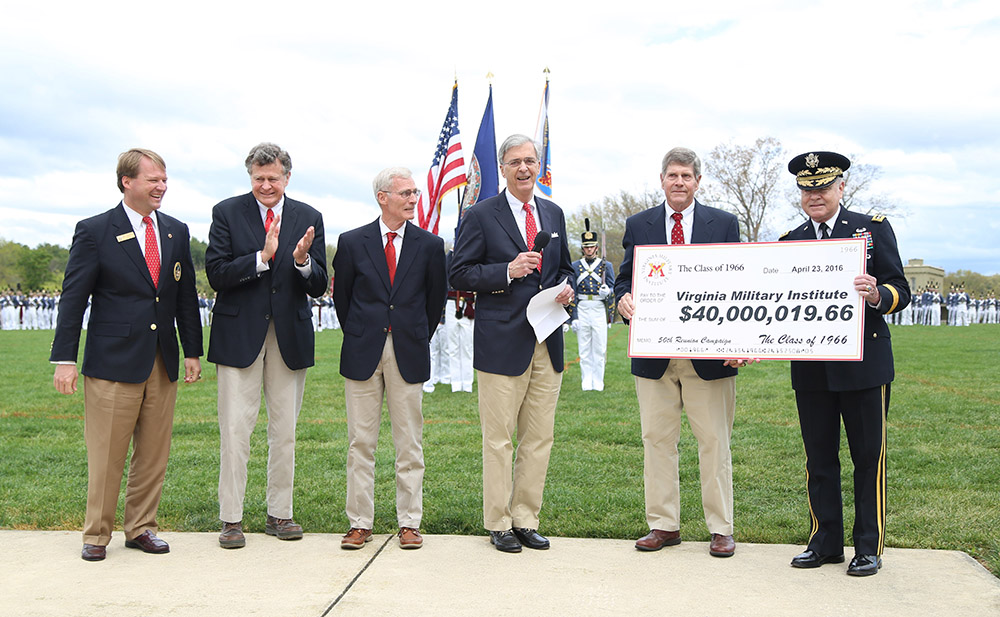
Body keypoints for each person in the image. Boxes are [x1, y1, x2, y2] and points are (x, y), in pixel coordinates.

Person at [50, 148, 203, 562]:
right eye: (153, 179)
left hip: (162, 360)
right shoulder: (95, 230)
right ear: (127, 182)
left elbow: (184, 295)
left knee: (154, 452)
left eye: (164, 179)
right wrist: (65, 357)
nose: (162, 186)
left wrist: (193, 351)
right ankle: (96, 535)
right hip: (112, 361)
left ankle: (141, 528)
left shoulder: (175, 230)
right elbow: (73, 298)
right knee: (107, 454)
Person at [781, 151, 910, 577]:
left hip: (863, 366)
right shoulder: (789, 242)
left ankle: (868, 546)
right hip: (812, 367)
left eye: (822, 186)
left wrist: (876, 294)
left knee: (867, 458)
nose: (814, 194)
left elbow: (899, 289)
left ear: (841, 187)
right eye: (806, 188)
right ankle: (825, 541)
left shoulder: (871, 229)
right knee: (819, 458)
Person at [615, 147, 742, 558]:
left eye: (687, 176)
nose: (680, 182)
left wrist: (740, 340)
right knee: (656, 440)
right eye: (673, 175)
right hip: (654, 355)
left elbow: (738, 286)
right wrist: (623, 299)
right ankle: (663, 525)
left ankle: (721, 528)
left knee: (714, 442)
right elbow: (624, 279)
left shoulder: (722, 224)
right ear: (662, 179)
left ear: (698, 181)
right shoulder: (640, 224)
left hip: (709, 356)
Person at [450, 134, 574, 553]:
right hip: (502, 342)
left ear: (539, 166)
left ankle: (525, 518)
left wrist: (567, 288)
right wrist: (506, 270)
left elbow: (566, 269)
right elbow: (460, 273)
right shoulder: (481, 214)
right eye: (516, 162)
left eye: (530, 161)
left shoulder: (554, 213)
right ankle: (498, 522)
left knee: (539, 438)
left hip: (548, 341)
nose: (524, 168)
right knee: (499, 439)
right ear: (503, 168)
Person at [205, 142, 328, 549]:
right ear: (250, 177)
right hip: (238, 336)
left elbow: (319, 284)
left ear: (287, 177)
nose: (266, 185)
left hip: (289, 337)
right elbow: (216, 273)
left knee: (285, 430)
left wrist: (300, 262)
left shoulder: (309, 217)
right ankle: (232, 519)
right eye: (258, 178)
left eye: (273, 178)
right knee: (236, 429)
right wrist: (261, 256)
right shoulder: (226, 213)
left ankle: (280, 513)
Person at [332, 167, 447, 550]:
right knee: (360, 442)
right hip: (363, 351)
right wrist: (365, 333)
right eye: (405, 193)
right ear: (383, 197)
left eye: (415, 192)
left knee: (409, 443)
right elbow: (342, 300)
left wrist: (413, 335)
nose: (414, 199)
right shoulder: (351, 242)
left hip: (408, 352)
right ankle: (360, 522)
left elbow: (434, 303)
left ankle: (409, 523)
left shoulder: (430, 245)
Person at [569, 218, 615, 391]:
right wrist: (572, 318)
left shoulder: (606, 265)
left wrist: (607, 291)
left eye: (592, 246)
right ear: (583, 248)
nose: (589, 249)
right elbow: (572, 291)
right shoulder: (575, 266)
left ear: (596, 247)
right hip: (582, 308)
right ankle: (586, 380)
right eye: (586, 247)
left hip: (598, 309)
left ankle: (598, 380)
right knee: (584, 348)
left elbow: (613, 287)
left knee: (600, 347)